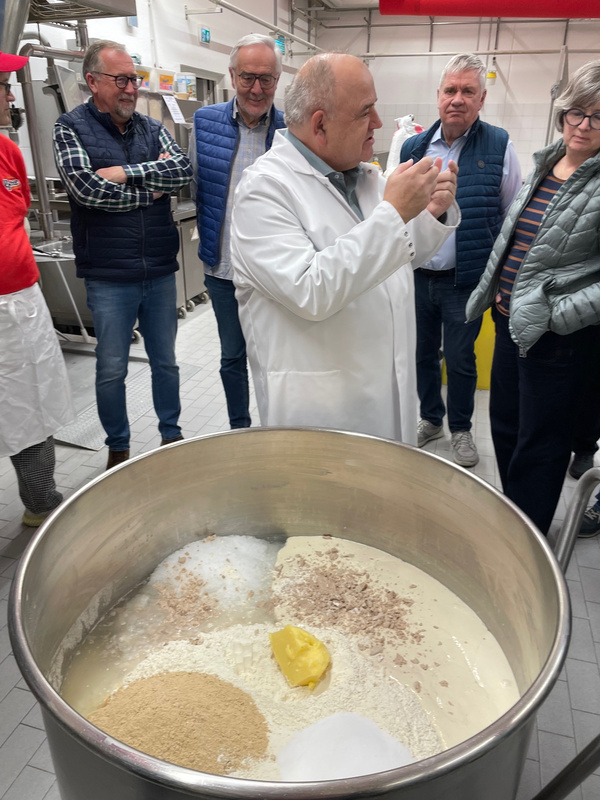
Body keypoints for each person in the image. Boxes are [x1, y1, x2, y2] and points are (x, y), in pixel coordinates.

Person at [230, 53, 459, 444]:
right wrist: (394, 212)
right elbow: (310, 290)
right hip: (323, 409)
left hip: (384, 390)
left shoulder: (364, 177)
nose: (378, 123)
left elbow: (397, 258)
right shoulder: (263, 190)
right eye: (365, 111)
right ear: (320, 124)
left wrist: (428, 213)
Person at [466, 59, 600, 536]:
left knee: (541, 444)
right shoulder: (549, 161)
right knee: (503, 423)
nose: (583, 125)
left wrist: (558, 315)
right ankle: (516, 515)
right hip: (510, 322)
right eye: (575, 112)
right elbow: (514, 237)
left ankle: (528, 542)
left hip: (557, 338)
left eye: (597, 116)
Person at [53, 40, 192, 470]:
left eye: (134, 79)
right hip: (109, 274)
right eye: (122, 79)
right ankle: (119, 444)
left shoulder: (151, 128)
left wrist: (128, 173)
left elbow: (183, 170)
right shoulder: (70, 127)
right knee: (111, 367)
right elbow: (87, 190)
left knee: (165, 361)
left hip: (158, 268)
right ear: (92, 82)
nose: (131, 88)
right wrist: (150, 193)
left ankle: (171, 434)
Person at [401, 54, 522, 467]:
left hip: (465, 279)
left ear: (481, 98)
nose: (458, 99)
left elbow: (510, 218)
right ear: (438, 96)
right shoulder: (413, 147)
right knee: (420, 354)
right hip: (417, 275)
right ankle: (430, 417)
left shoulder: (499, 145)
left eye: (467, 91)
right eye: (450, 90)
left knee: (460, 358)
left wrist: (501, 278)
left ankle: (462, 429)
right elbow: (399, 210)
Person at [189, 34, 285, 429]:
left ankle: (279, 426)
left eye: (267, 79)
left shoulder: (290, 127)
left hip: (275, 271)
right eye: (247, 77)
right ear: (231, 75)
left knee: (276, 359)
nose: (257, 89)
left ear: (278, 81)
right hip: (223, 268)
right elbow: (198, 185)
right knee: (232, 356)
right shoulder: (205, 121)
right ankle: (240, 429)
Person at [0, 49, 74, 526]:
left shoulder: (7, 149)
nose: (9, 96)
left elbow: (19, 210)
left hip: (21, 302)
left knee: (32, 400)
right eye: (2, 87)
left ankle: (40, 501)